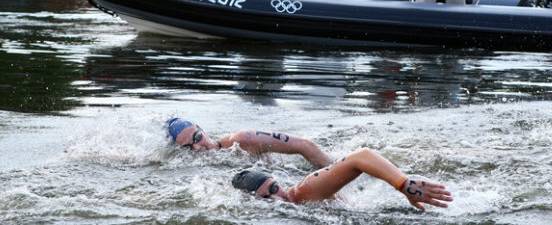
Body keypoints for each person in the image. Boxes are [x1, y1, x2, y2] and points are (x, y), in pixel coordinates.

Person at [232, 147, 453, 210]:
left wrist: (404, 185)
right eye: (267, 198)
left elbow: (361, 156)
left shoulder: (302, 193)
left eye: (275, 188)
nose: (278, 197)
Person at [166, 117, 332, 168]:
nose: (197, 147)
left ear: (203, 130)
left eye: (197, 137)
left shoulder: (242, 140)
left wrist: (338, 177)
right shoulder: (192, 167)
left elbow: (305, 145)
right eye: (188, 147)